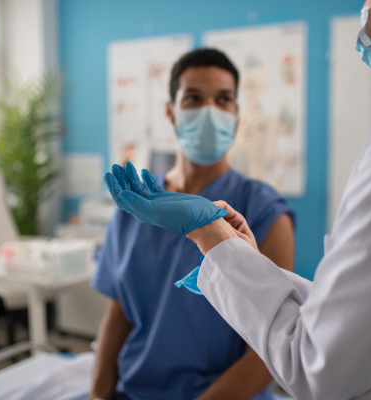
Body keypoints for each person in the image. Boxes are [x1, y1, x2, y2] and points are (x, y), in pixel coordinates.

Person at [103, 0, 371, 398]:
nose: (366, 9)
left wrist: (210, 235)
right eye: (193, 98)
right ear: (170, 110)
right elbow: (357, 318)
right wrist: (242, 258)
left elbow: (317, 366)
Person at [89, 49, 296, 400]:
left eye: (223, 99)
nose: (209, 111)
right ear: (170, 111)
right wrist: (98, 395)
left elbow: (268, 350)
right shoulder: (138, 202)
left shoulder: (262, 211)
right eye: (194, 98)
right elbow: (119, 313)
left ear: (236, 113)